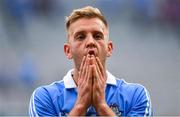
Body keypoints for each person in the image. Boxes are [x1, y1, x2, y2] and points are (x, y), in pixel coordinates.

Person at [29, 6, 152, 116]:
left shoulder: (136, 95)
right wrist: (81, 105)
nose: (90, 42)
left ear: (109, 49)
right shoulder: (45, 98)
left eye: (97, 36)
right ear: (68, 51)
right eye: (80, 37)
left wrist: (102, 106)